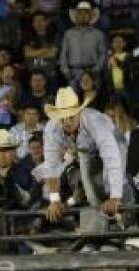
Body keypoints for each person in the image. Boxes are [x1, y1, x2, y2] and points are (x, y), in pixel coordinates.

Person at [42, 87, 126, 235]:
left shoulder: (95, 121)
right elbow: (51, 166)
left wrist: (115, 197)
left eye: (71, 117)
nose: (67, 122)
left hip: (115, 145)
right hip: (85, 151)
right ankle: (101, 229)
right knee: (91, 192)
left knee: (109, 182)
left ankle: (123, 220)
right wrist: (54, 200)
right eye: (63, 118)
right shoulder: (51, 129)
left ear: (79, 113)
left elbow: (112, 158)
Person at [59, 1, 106, 86]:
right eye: (80, 13)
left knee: (93, 98)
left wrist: (97, 69)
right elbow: (63, 54)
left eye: (86, 13)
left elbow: (103, 54)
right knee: (74, 98)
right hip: (74, 73)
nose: (83, 16)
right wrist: (66, 71)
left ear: (90, 16)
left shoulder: (98, 34)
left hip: (93, 72)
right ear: (76, 16)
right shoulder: (68, 34)